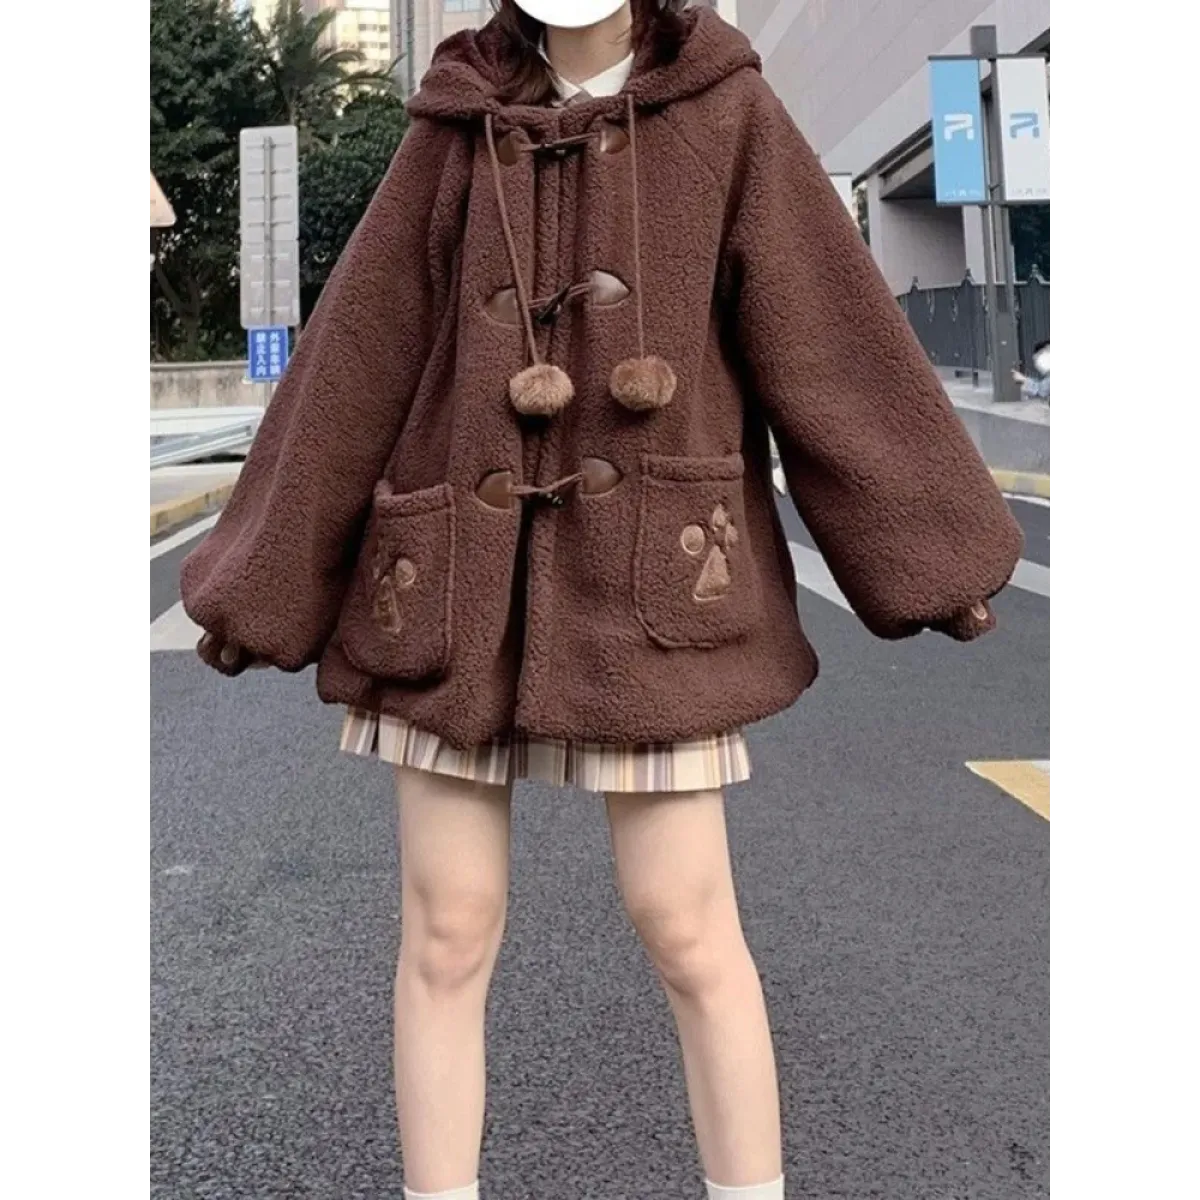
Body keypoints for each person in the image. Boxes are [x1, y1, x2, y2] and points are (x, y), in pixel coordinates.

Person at [180, 2, 1024, 1197]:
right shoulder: (453, 125)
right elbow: (353, 360)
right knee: (447, 926)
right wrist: (256, 588)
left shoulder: (726, 110)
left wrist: (935, 557)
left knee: (687, 924)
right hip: (451, 588)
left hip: (652, 585)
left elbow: (826, 335)